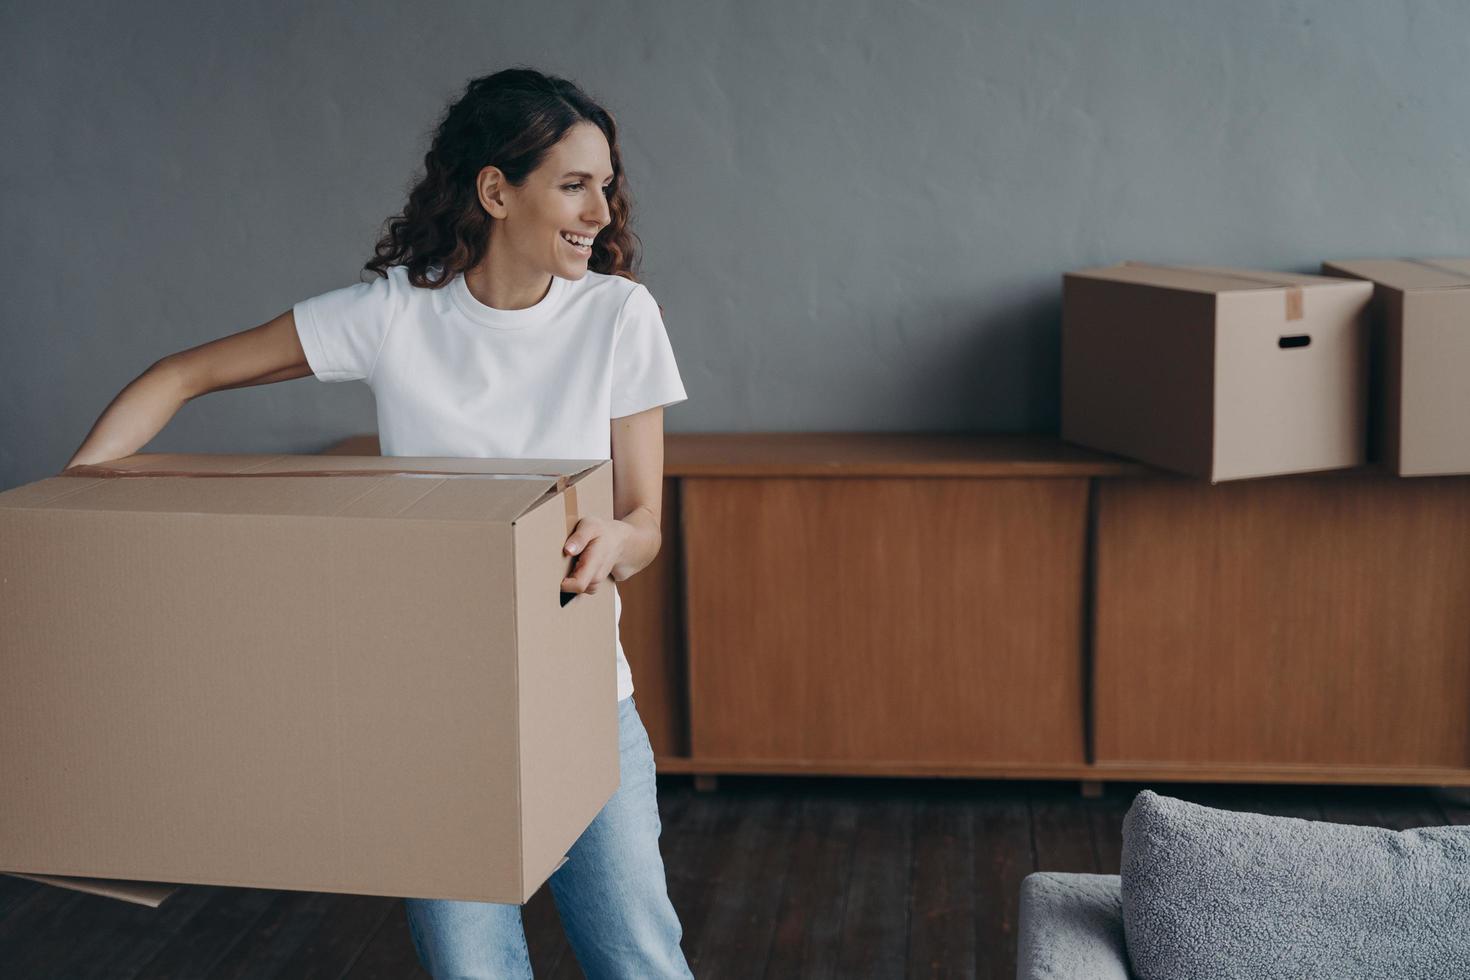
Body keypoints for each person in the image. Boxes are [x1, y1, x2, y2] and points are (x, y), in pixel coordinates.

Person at [65, 67, 695, 979]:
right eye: (573, 183)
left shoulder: (619, 316)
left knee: (638, 957)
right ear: (495, 190)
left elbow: (646, 519)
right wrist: (78, 499)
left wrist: (619, 542)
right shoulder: (395, 315)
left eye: (606, 182)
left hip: (585, 699)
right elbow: (178, 375)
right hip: (432, 718)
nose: (601, 207)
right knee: (471, 971)